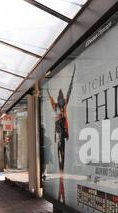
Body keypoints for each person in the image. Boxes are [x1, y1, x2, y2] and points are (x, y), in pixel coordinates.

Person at [48, 65, 75, 204]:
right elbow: (50, 97)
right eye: (60, 96)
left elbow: (69, 91)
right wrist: (47, 89)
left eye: (61, 96)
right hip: (59, 135)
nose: (60, 98)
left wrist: (72, 77)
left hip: (62, 135)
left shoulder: (62, 107)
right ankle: (61, 183)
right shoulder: (57, 107)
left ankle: (62, 182)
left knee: (62, 158)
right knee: (60, 159)